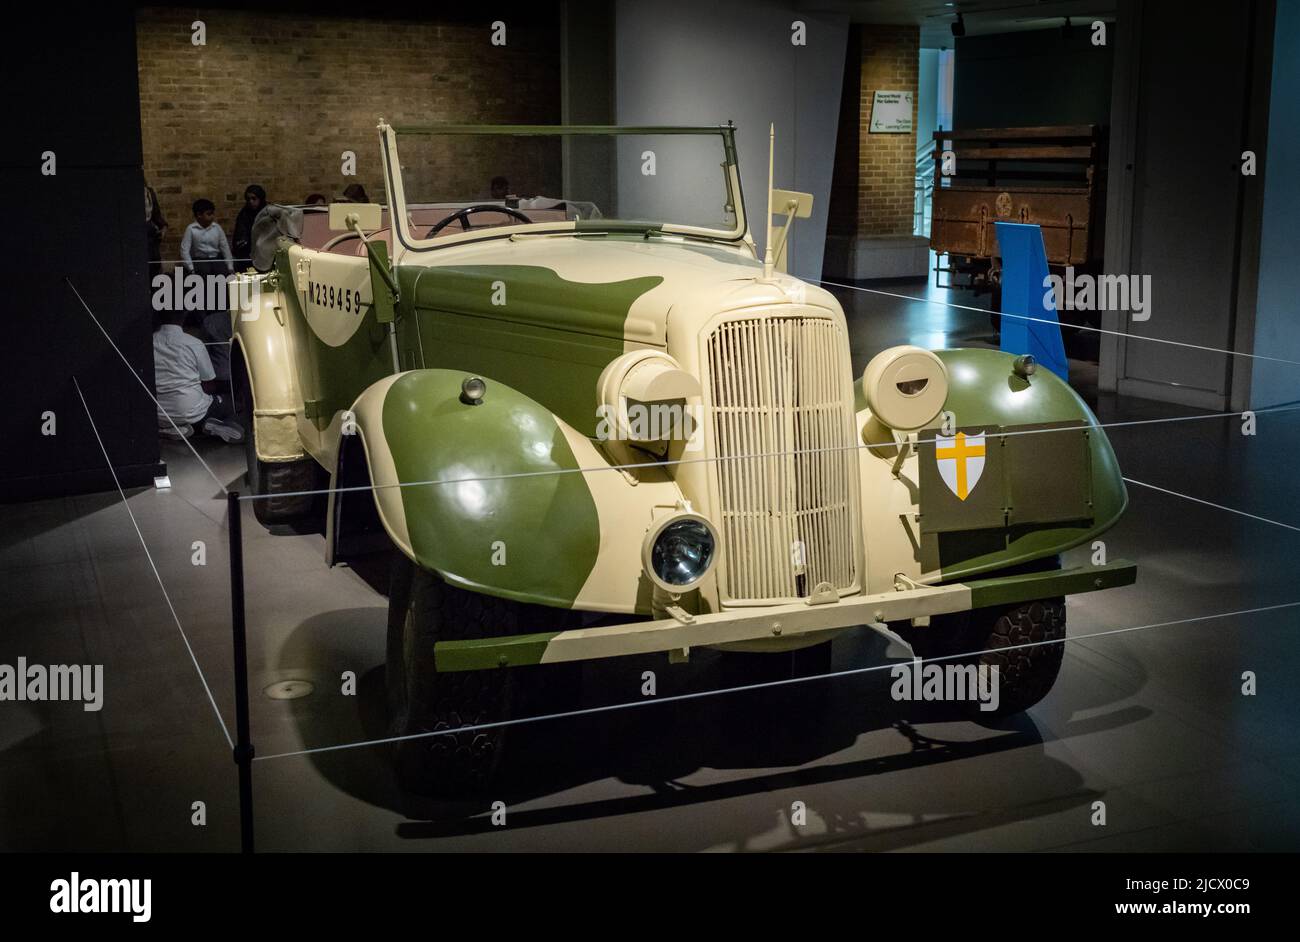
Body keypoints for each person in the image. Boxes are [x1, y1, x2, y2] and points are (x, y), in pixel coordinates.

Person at [152, 311, 243, 443]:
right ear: (184, 316)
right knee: (237, 405)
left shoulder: (148, 342)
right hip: (194, 412)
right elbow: (209, 386)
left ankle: (172, 428)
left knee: (191, 411)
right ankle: (222, 425)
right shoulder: (194, 343)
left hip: (160, 415)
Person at [180, 198, 235, 382]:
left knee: (220, 288)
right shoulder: (191, 229)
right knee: (202, 291)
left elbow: (224, 247)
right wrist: (191, 269)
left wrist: (229, 267)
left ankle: (219, 317)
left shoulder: (216, 229)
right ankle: (204, 321)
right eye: (207, 214)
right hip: (200, 262)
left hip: (215, 261)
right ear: (198, 215)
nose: (211, 217)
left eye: (212, 214)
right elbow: (185, 250)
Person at [230, 184, 266, 265]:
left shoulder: (267, 213)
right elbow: (240, 235)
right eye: (248, 199)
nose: (251, 202)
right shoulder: (244, 214)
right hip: (247, 254)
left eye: (254, 198)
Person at [145, 181, 168, 280]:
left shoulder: (149, 192)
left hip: (150, 233)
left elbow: (156, 214)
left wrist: (163, 227)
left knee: (154, 264)